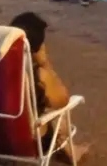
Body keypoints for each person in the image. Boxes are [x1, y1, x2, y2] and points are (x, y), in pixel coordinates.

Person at [8, 12, 89, 163]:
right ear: (38, 48)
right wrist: (45, 63)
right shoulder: (36, 75)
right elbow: (63, 100)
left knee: (41, 105)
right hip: (28, 144)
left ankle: (71, 150)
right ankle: (72, 150)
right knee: (55, 109)